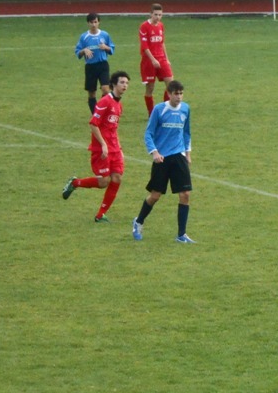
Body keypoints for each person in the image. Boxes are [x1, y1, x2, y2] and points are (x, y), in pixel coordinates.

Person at [62, 71, 131, 223]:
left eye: (126, 83)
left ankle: (100, 215)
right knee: (103, 182)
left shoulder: (119, 105)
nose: (125, 86)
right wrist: (104, 145)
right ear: (113, 84)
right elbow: (93, 124)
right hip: (101, 149)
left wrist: (118, 148)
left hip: (114, 148)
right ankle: (75, 183)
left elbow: (113, 128)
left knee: (117, 178)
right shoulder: (105, 101)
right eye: (122, 82)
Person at [132, 79, 194, 243]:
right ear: (169, 94)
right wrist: (154, 152)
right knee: (155, 195)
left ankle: (181, 235)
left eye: (181, 93)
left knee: (185, 194)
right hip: (162, 158)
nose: (179, 97)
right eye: (176, 94)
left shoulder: (185, 109)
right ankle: (138, 221)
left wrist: (187, 153)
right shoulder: (159, 110)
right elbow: (148, 133)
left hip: (178, 155)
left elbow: (187, 133)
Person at [74, 12, 116, 115]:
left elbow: (111, 49)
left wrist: (105, 47)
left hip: (102, 65)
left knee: (106, 90)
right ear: (88, 23)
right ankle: (95, 115)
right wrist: (84, 50)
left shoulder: (104, 35)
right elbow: (77, 52)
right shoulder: (84, 37)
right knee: (92, 93)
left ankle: (102, 110)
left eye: (95, 22)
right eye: (91, 22)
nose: (93, 24)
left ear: (99, 22)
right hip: (90, 67)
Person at [139, 3, 174, 115]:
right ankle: (151, 113)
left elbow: (162, 43)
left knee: (171, 84)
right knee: (150, 88)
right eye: (156, 15)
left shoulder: (161, 26)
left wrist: (167, 59)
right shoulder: (144, 26)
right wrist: (153, 60)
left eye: (160, 15)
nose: (158, 17)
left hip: (162, 58)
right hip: (149, 61)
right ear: (151, 14)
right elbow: (144, 47)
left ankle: (165, 110)